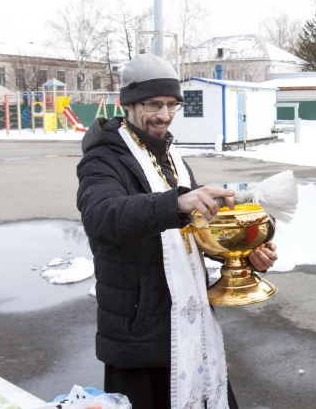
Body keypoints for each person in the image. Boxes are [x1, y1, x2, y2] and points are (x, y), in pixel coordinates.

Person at [76, 53, 277, 409]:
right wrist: (178, 203)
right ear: (128, 103)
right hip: (138, 333)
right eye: (154, 104)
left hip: (191, 324)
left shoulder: (171, 157)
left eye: (172, 105)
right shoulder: (103, 158)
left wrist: (241, 253)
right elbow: (102, 216)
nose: (165, 116)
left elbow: (197, 227)